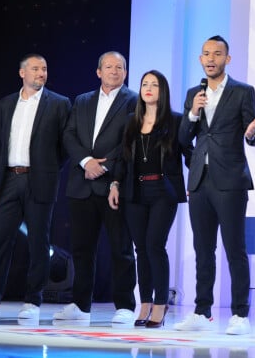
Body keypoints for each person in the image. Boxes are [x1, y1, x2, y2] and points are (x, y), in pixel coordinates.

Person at [0, 53, 71, 319]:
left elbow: (65, 146)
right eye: (35, 69)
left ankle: (33, 301)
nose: (41, 73)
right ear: (22, 73)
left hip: (39, 180)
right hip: (10, 178)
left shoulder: (59, 103)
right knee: (0, 239)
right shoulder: (6, 103)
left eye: (44, 69)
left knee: (38, 243)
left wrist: (48, 170)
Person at [173, 35, 255, 335]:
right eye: (206, 54)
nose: (211, 58)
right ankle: (202, 310)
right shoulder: (192, 94)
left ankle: (240, 313)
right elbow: (183, 138)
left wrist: (251, 134)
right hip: (199, 180)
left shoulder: (242, 92)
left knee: (235, 248)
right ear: (200, 59)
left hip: (231, 179)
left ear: (228, 58)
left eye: (218, 53)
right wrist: (193, 112)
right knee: (202, 249)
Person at [54, 51, 138, 326]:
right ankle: (80, 305)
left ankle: (125, 305)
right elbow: (69, 134)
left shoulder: (133, 101)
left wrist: (106, 165)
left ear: (125, 73)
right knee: (81, 249)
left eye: (120, 67)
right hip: (81, 182)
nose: (114, 71)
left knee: (121, 248)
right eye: (109, 66)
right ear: (98, 72)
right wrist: (86, 161)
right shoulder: (82, 101)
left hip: (114, 185)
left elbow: (131, 140)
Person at [108, 69, 192, 328]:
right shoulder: (130, 121)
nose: (148, 88)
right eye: (145, 84)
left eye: (154, 84)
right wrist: (114, 184)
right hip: (135, 192)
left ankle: (160, 303)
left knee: (155, 245)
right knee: (141, 249)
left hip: (162, 192)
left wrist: (198, 180)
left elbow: (190, 152)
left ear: (162, 91)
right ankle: (144, 303)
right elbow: (122, 159)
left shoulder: (175, 121)